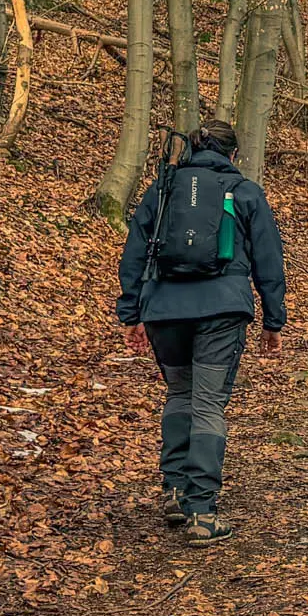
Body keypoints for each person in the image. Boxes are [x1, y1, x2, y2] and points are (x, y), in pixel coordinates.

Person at [118, 118, 287, 547]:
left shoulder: (164, 189)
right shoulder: (245, 192)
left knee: (180, 394)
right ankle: (202, 512)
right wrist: (273, 320)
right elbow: (268, 259)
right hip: (222, 308)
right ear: (233, 155)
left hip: (164, 308)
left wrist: (131, 313)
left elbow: (135, 251)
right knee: (209, 402)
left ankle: (174, 492)